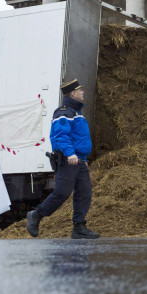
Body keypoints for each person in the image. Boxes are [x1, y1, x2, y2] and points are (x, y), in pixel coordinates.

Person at [27, 79, 100, 239]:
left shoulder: (76, 113)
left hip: (78, 161)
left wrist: (81, 157)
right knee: (61, 193)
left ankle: (79, 228)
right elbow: (61, 136)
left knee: (84, 193)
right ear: (73, 93)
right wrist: (70, 154)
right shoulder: (63, 112)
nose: (83, 92)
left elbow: (77, 138)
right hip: (68, 161)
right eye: (80, 90)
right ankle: (36, 215)